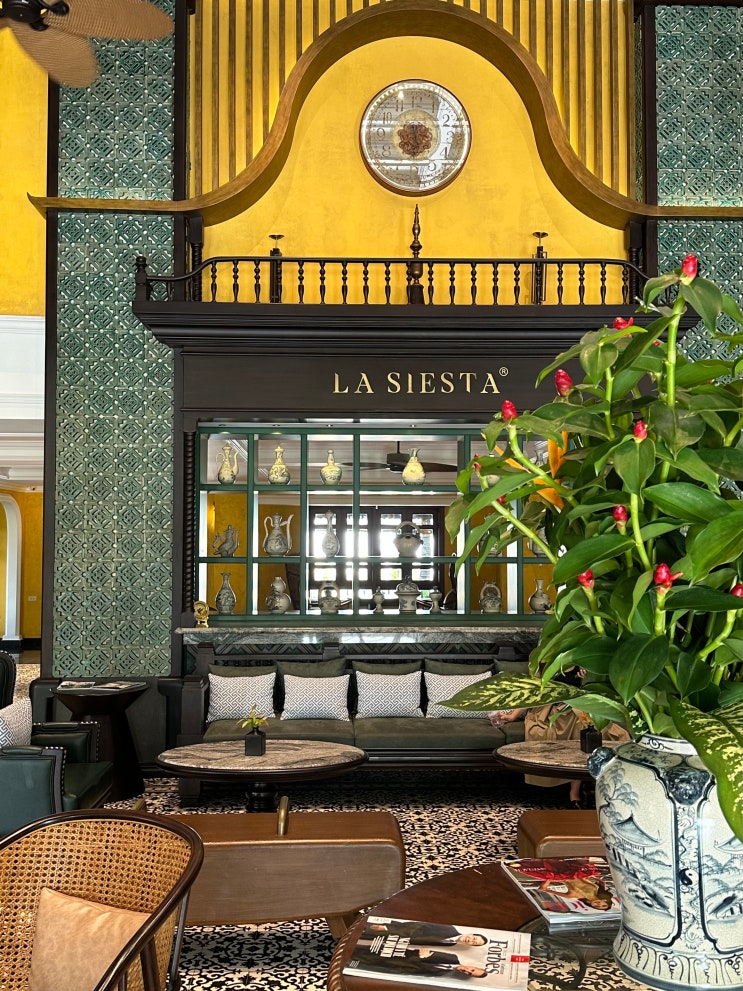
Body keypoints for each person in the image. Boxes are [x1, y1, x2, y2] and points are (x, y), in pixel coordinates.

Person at [493, 667, 629, 807]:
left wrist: (586, 678)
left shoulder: (581, 662)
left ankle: (577, 791)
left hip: (576, 706)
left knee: (587, 725)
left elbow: (593, 691)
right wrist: (512, 716)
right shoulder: (540, 663)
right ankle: (571, 790)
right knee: (570, 725)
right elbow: (531, 692)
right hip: (549, 709)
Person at [365, 921, 487, 946]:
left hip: (393, 942)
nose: (470, 940)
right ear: (471, 933)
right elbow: (418, 925)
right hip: (391, 931)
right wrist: (387, 927)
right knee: (364, 928)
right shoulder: (449, 928)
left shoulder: (450, 944)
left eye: (474, 943)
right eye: (474, 938)